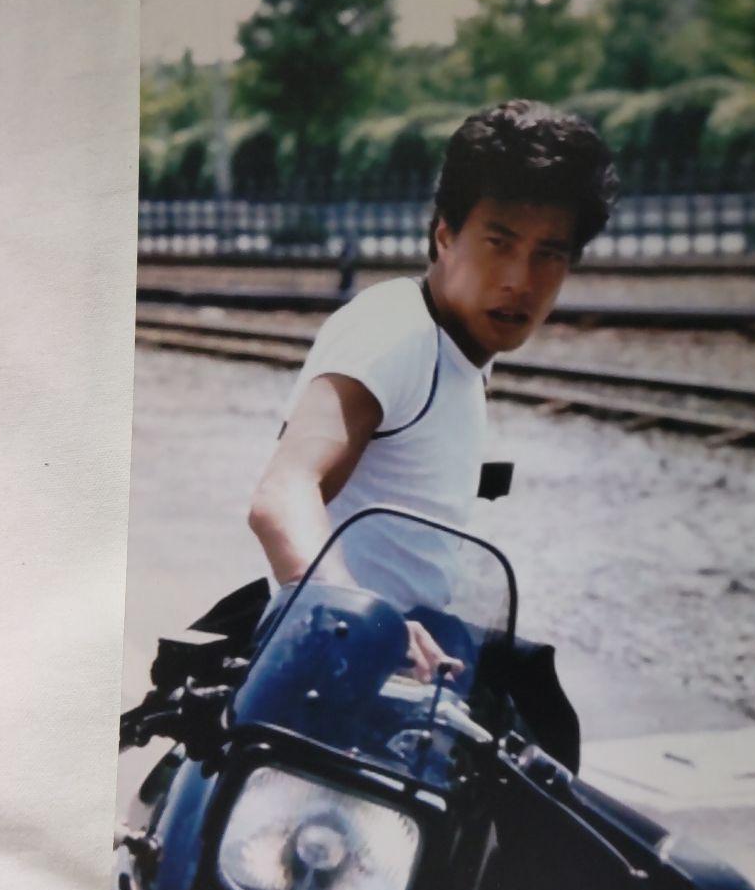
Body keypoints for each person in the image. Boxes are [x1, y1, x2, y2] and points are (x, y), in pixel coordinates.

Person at [247, 99, 619, 681]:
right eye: (499, 243)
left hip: (398, 670)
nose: (520, 280)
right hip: (333, 670)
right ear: (445, 234)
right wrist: (359, 617)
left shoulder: (460, 349)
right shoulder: (396, 329)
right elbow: (284, 492)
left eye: (548, 255)